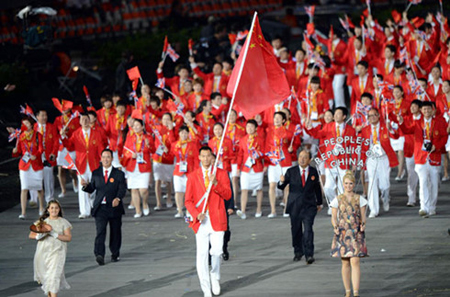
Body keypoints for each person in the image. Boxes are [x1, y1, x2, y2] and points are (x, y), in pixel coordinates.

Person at [185, 146, 232, 297]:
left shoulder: (222, 174)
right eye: (203, 156)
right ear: (199, 157)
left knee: (217, 251)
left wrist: (216, 183)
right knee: (202, 255)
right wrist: (196, 214)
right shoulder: (193, 176)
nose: (206, 159)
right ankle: (206, 288)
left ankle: (215, 276)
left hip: (217, 218)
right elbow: (188, 201)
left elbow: (228, 195)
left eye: (208, 156)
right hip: (201, 221)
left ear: (213, 157)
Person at [81, 149, 127, 265]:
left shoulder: (119, 174)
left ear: (112, 159)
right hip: (100, 208)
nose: (106, 159)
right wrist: (85, 186)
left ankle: (115, 254)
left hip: (114, 207)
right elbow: (92, 187)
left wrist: (118, 198)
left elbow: (122, 189)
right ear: (100, 159)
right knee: (100, 231)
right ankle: (99, 254)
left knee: (115, 231)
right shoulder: (96, 173)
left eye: (108, 157)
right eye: (104, 157)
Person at [277, 149, 323, 264]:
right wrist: (281, 181)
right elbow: (282, 187)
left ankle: (309, 254)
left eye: (305, 157)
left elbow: (317, 188)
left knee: (308, 229)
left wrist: (319, 202)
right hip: (295, 206)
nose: (302, 159)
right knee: (296, 230)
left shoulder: (313, 171)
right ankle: (298, 251)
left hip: (309, 206)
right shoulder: (291, 171)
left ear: (309, 159)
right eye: (300, 156)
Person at [61, 113, 106, 219]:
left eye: (87, 119)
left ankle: (95, 206)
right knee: (83, 188)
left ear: (90, 120)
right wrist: (63, 136)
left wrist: (104, 159)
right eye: (82, 120)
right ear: (80, 122)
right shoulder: (76, 134)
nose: (85, 121)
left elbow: (100, 147)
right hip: (81, 165)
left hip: (94, 164)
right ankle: (84, 211)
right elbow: (69, 146)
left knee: (95, 187)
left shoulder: (96, 133)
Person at [330, 171, 368, 297]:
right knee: (345, 262)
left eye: (350, 183)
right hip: (342, 232)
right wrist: (335, 227)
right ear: (343, 184)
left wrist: (363, 224)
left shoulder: (360, 199)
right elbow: (334, 217)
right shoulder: (338, 199)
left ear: (354, 184)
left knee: (355, 261)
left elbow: (363, 216)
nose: (348, 186)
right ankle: (347, 291)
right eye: (346, 183)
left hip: (356, 232)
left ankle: (356, 292)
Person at [29, 200, 72, 297]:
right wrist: (39, 236)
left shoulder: (64, 222)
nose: (54, 210)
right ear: (48, 209)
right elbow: (31, 234)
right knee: (47, 278)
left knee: (54, 277)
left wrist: (55, 234)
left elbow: (68, 237)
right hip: (43, 253)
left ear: (59, 209)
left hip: (58, 252)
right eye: (52, 208)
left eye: (56, 208)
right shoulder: (42, 222)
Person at [10, 116, 45, 219]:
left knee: (39, 187)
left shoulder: (38, 135)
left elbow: (41, 149)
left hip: (36, 163)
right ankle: (23, 212)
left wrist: (37, 155)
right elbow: (19, 152)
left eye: (28, 124)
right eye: (24, 124)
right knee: (24, 188)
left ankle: (41, 208)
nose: (26, 126)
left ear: (32, 124)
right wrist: (15, 151)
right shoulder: (20, 136)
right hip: (24, 165)